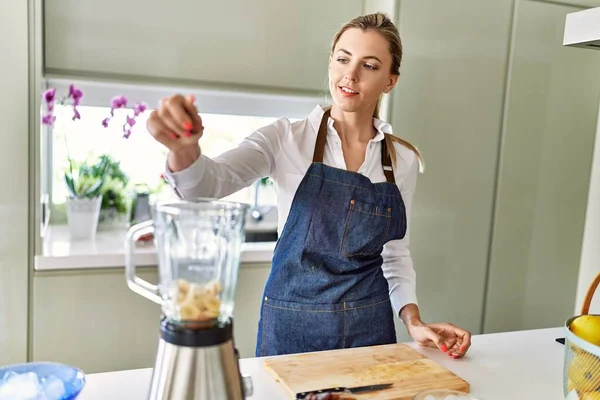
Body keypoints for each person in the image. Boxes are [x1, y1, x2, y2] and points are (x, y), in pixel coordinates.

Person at [147, 12, 472, 359]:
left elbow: (395, 254)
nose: (351, 74)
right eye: (343, 59)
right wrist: (184, 150)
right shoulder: (285, 139)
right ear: (330, 62)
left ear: (390, 81)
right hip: (292, 331)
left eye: (370, 65)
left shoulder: (401, 159)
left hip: (370, 330)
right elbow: (206, 186)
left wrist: (414, 319)